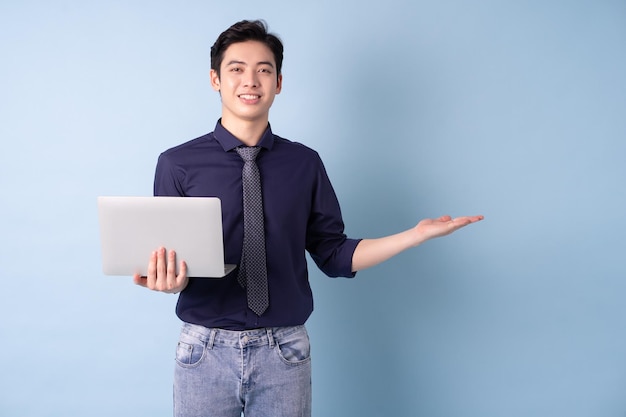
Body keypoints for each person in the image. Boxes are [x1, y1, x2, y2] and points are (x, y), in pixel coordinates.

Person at [133, 19, 483, 417]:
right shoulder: (177, 164)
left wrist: (413, 236)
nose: (251, 80)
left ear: (278, 83)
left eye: (264, 70)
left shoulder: (304, 163)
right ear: (215, 79)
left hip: (284, 353)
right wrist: (168, 280)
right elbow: (174, 262)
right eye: (236, 69)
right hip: (203, 351)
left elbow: (334, 254)